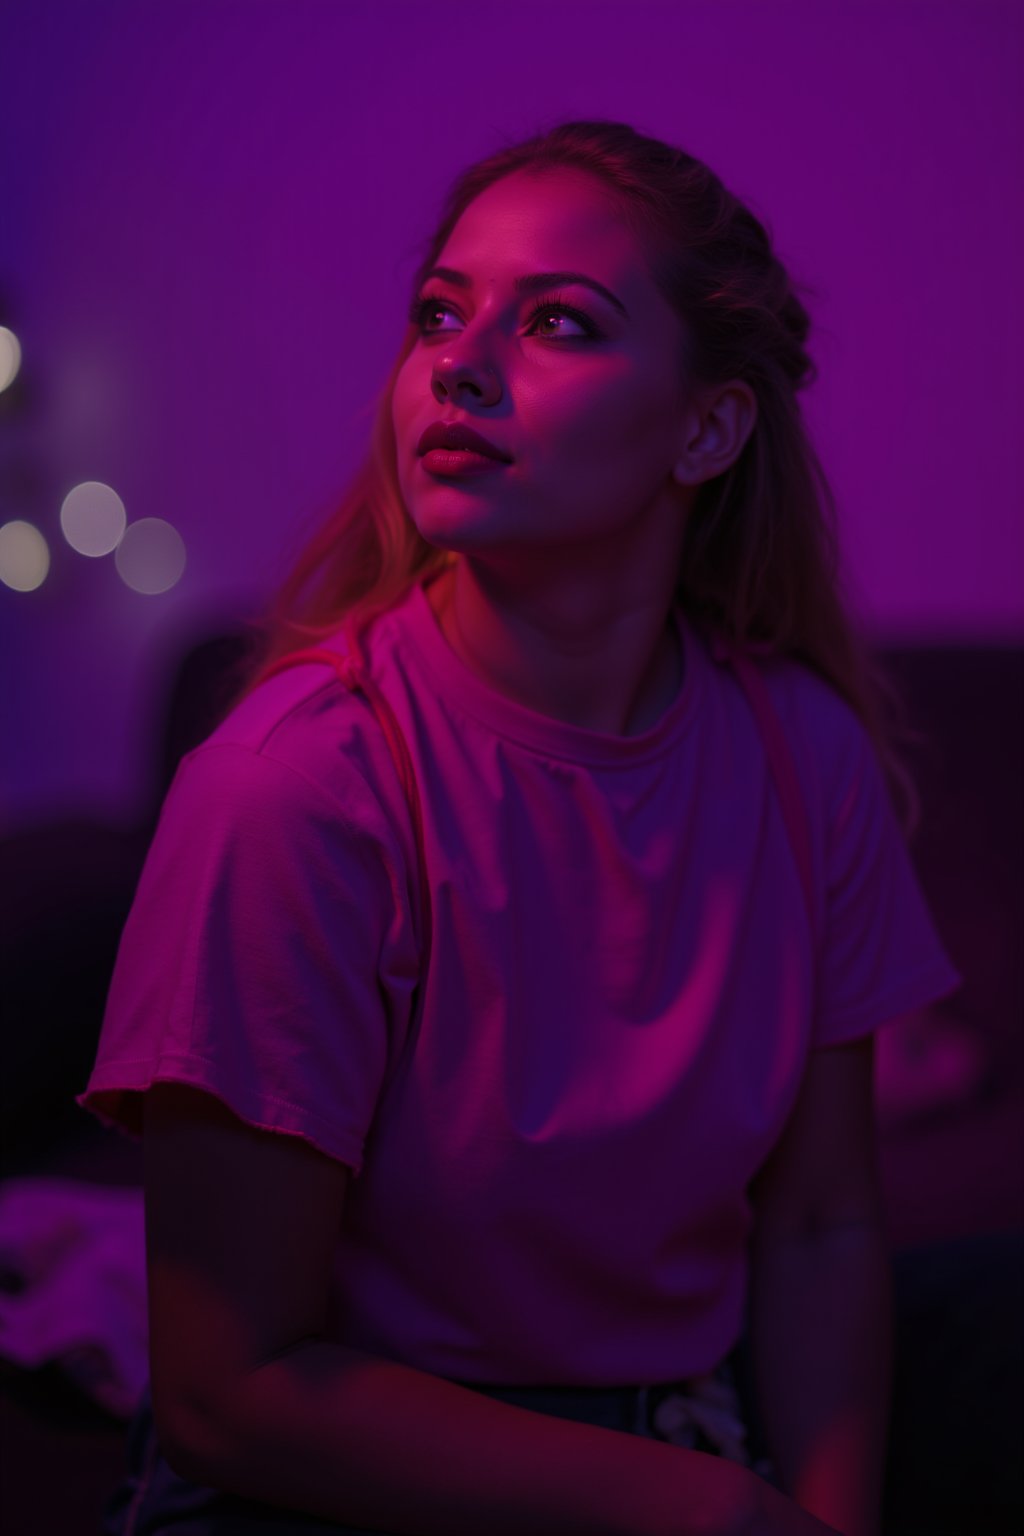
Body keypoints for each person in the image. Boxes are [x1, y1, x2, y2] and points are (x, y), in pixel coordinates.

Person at [77, 119, 960, 1536]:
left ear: (709, 428)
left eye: (558, 322)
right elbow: (229, 1391)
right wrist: (713, 1517)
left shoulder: (803, 757)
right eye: (439, 312)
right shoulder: (298, 788)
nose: (458, 363)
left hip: (682, 1419)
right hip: (337, 1480)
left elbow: (821, 1224)